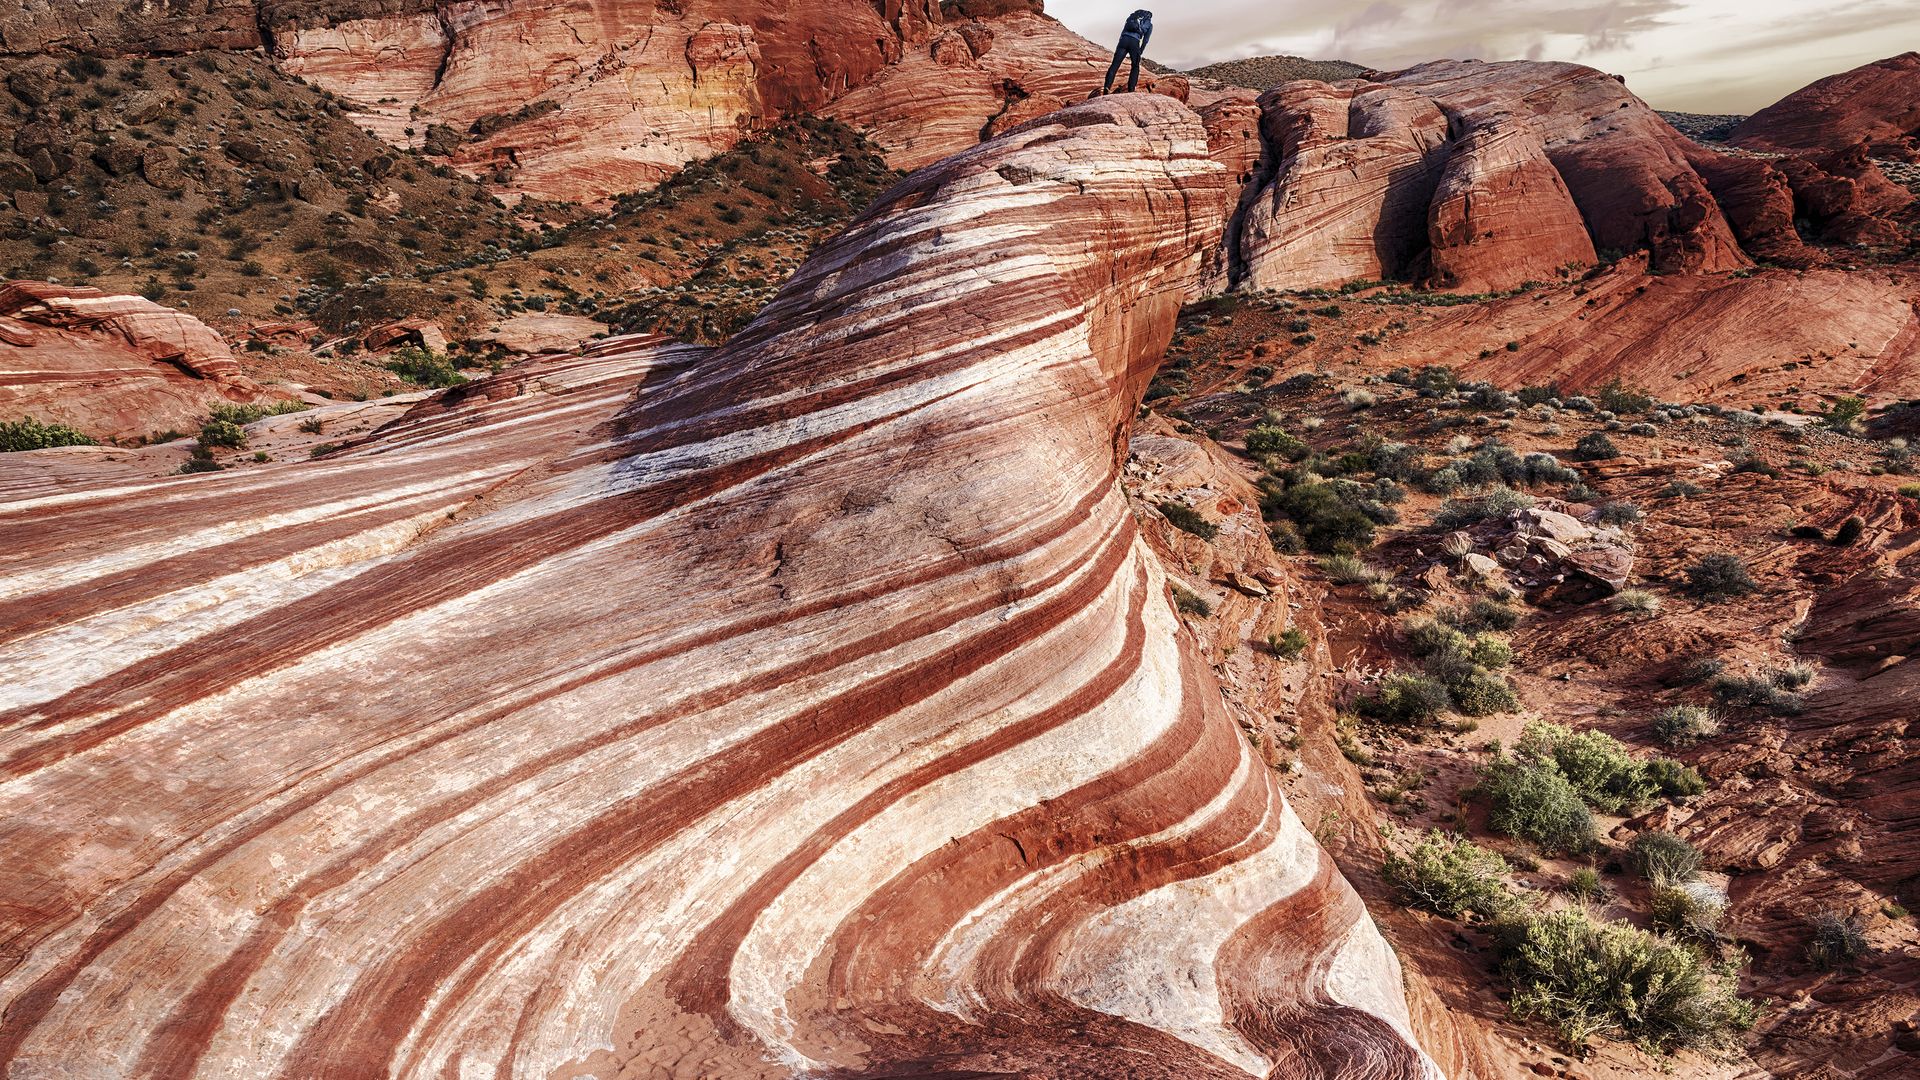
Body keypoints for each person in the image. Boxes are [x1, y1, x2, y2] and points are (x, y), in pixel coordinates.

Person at [1103, 9, 1152, 95]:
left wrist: (1120, 43)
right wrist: (1140, 50)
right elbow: (1146, 40)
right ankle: (1131, 90)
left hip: (1124, 40)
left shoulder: (1133, 17)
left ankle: (1107, 87)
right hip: (1135, 42)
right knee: (1135, 66)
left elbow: (1124, 30)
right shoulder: (1149, 24)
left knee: (1115, 65)